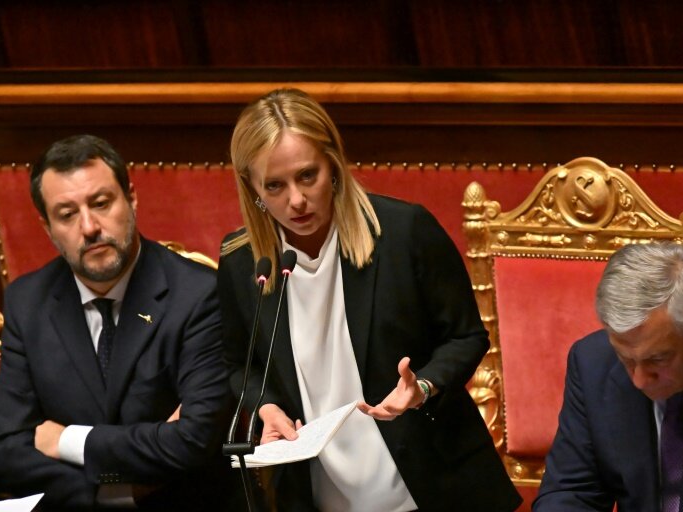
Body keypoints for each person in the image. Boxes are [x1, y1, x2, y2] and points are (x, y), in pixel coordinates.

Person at [218, 88, 521, 512]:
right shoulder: (242, 263)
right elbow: (239, 363)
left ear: (334, 166)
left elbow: (466, 336)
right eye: (274, 185)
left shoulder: (404, 232)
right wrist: (266, 405)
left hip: (430, 483)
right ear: (253, 189)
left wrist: (425, 387)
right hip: (319, 494)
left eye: (308, 176)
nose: (296, 200)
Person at [0, 135, 237, 509]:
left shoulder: (197, 295)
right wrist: (110, 493)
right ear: (47, 228)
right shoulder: (28, 302)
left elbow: (194, 442)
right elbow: (7, 454)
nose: (89, 227)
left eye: (101, 203)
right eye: (67, 214)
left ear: (131, 198)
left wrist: (65, 441)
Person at [534, 242, 683, 511]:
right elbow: (571, 490)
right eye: (626, 360)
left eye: (657, 359)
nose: (639, 380)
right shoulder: (592, 363)